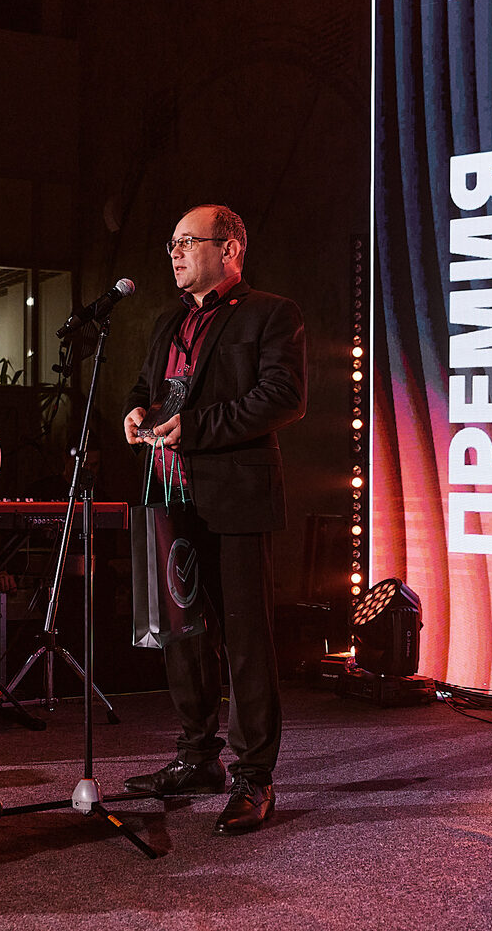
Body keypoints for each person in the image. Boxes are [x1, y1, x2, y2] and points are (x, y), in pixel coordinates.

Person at [120, 204, 305, 836]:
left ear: (228, 249)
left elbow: (282, 397)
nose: (173, 252)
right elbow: (145, 387)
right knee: (184, 634)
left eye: (187, 241)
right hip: (169, 494)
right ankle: (197, 758)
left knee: (246, 642)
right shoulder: (168, 319)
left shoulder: (271, 313)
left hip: (236, 496)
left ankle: (255, 776)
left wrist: (194, 428)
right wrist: (135, 411)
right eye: (170, 243)